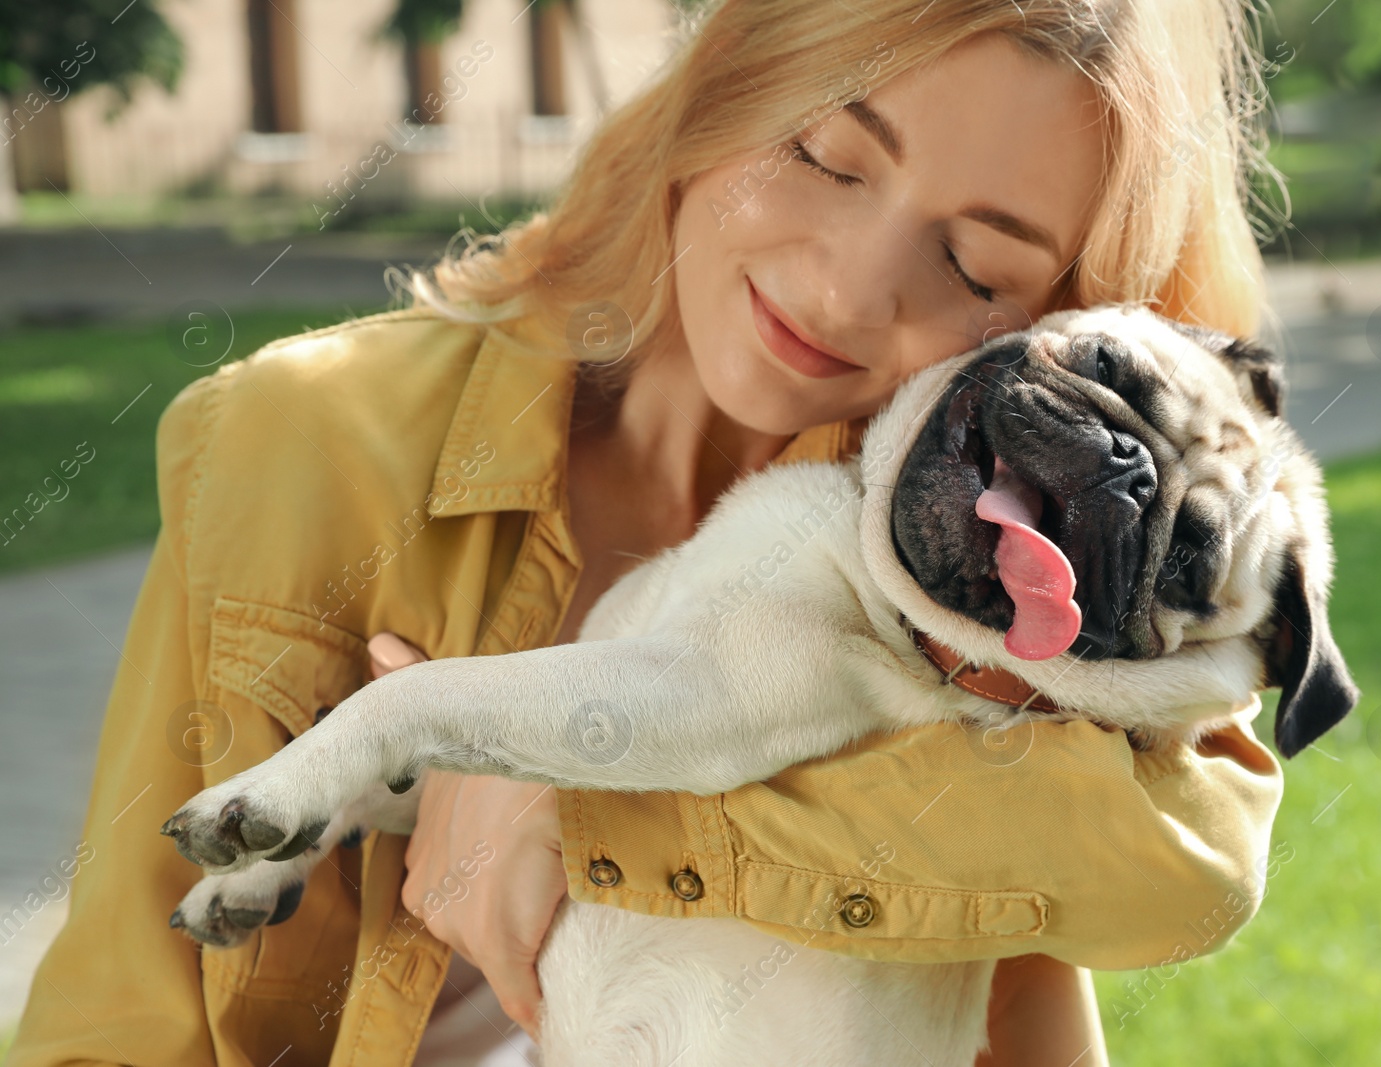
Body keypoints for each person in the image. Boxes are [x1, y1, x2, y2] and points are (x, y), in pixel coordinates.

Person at [7, 1, 1285, 1065]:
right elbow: (126, 1007)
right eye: (827, 158)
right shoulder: (300, 439)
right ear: (720, 93)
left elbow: (1185, 859)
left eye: (972, 265)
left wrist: (586, 814)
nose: (847, 287)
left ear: (1050, 322)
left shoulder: (972, 534)